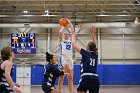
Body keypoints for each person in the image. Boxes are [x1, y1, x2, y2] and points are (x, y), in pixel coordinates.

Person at [72, 25, 100, 93]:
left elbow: (73, 45)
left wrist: (73, 36)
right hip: (95, 78)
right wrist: (92, 34)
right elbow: (94, 45)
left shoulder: (85, 53)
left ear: (88, 47)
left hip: (86, 77)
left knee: (79, 91)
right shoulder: (95, 54)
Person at [58, 18, 74, 93]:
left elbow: (73, 32)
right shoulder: (61, 40)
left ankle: (71, 91)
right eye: (65, 34)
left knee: (70, 77)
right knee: (61, 77)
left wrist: (70, 23)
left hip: (69, 59)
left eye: (67, 34)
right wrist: (64, 25)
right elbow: (60, 32)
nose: (66, 35)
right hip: (62, 58)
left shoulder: (71, 41)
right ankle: (60, 91)